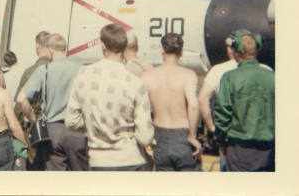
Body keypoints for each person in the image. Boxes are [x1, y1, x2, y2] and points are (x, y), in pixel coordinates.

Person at [65, 24, 153, 171]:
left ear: (103, 45)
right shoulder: (136, 83)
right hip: (130, 159)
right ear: (125, 46)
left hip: (98, 160)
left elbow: (71, 121)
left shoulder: (83, 75)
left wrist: (94, 126)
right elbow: (145, 137)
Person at [198, 32, 272, 171]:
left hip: (238, 148)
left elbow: (222, 111)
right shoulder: (270, 74)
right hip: (267, 149)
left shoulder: (229, 77)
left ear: (237, 52)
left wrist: (219, 137)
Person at [17, 34, 88, 171]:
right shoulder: (81, 69)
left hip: (52, 131)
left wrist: (33, 119)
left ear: (50, 49)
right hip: (77, 130)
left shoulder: (44, 70)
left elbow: (21, 99)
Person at [141, 33, 201, 171]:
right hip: (182, 135)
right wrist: (192, 136)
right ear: (181, 51)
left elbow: (141, 109)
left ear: (162, 49)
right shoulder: (188, 75)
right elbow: (193, 105)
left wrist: (147, 138)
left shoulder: (147, 76)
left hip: (159, 135)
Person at [13, 30, 51, 170]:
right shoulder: (57, 70)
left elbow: (19, 104)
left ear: (37, 47)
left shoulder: (30, 72)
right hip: (56, 128)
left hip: (34, 129)